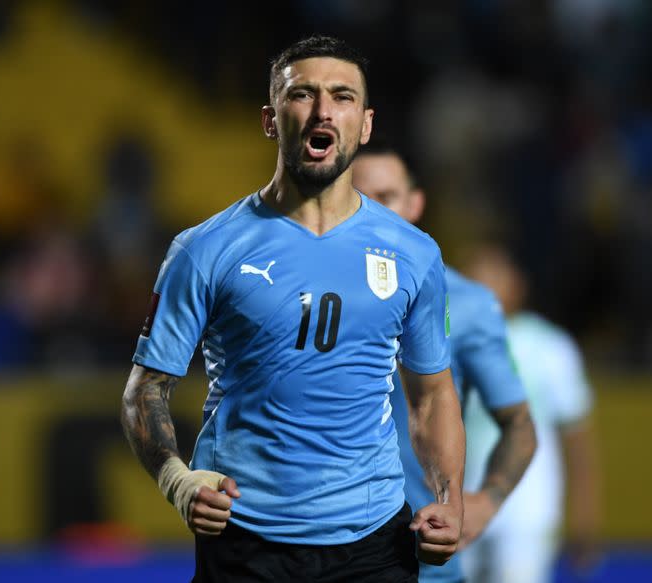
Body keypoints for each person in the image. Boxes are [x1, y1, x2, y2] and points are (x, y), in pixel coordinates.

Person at [120, 36, 466, 582]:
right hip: (245, 539)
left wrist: (450, 499)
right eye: (303, 94)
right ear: (270, 119)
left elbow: (432, 394)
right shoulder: (204, 250)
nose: (323, 110)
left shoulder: (416, 254)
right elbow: (146, 389)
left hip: (375, 541)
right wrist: (177, 480)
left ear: (366, 124)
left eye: (343, 96)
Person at [352, 141, 537, 583]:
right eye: (360, 198)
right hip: (317, 551)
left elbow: (520, 424)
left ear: (415, 204)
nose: (374, 212)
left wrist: (486, 500)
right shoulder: (309, 290)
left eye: (387, 197)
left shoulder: (469, 304)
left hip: (421, 561)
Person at [460, 245, 601, 583]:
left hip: (527, 511)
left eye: (495, 275)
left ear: (518, 284)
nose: (485, 286)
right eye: (475, 277)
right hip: (460, 506)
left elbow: (578, 440)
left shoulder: (549, 347)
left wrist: (586, 518)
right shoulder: (447, 342)